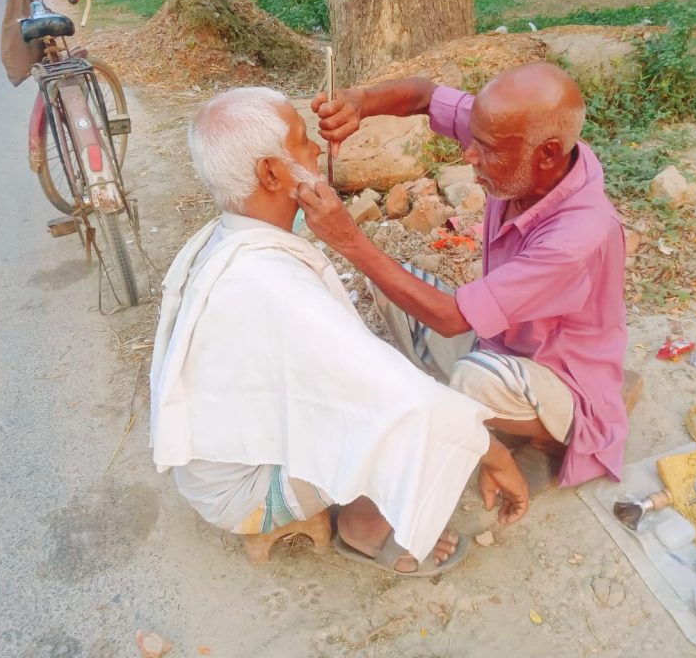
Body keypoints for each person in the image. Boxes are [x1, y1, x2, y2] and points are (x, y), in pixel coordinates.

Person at [149, 87, 529, 576]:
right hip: (241, 491)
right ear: (271, 173)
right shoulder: (267, 281)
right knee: (397, 416)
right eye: (303, 141)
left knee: (384, 380)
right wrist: (491, 451)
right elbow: (399, 401)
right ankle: (363, 527)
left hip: (216, 465)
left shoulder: (230, 235)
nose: (315, 150)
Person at [300, 63, 629, 491]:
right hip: (499, 342)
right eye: (474, 139)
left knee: (476, 378)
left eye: (487, 149)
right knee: (390, 288)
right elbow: (423, 95)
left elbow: (453, 319)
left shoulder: (577, 235)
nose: (470, 155)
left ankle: (547, 436)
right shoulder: (510, 132)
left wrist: (349, 239)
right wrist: (361, 102)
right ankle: (468, 402)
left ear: (547, 154)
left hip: (561, 382)